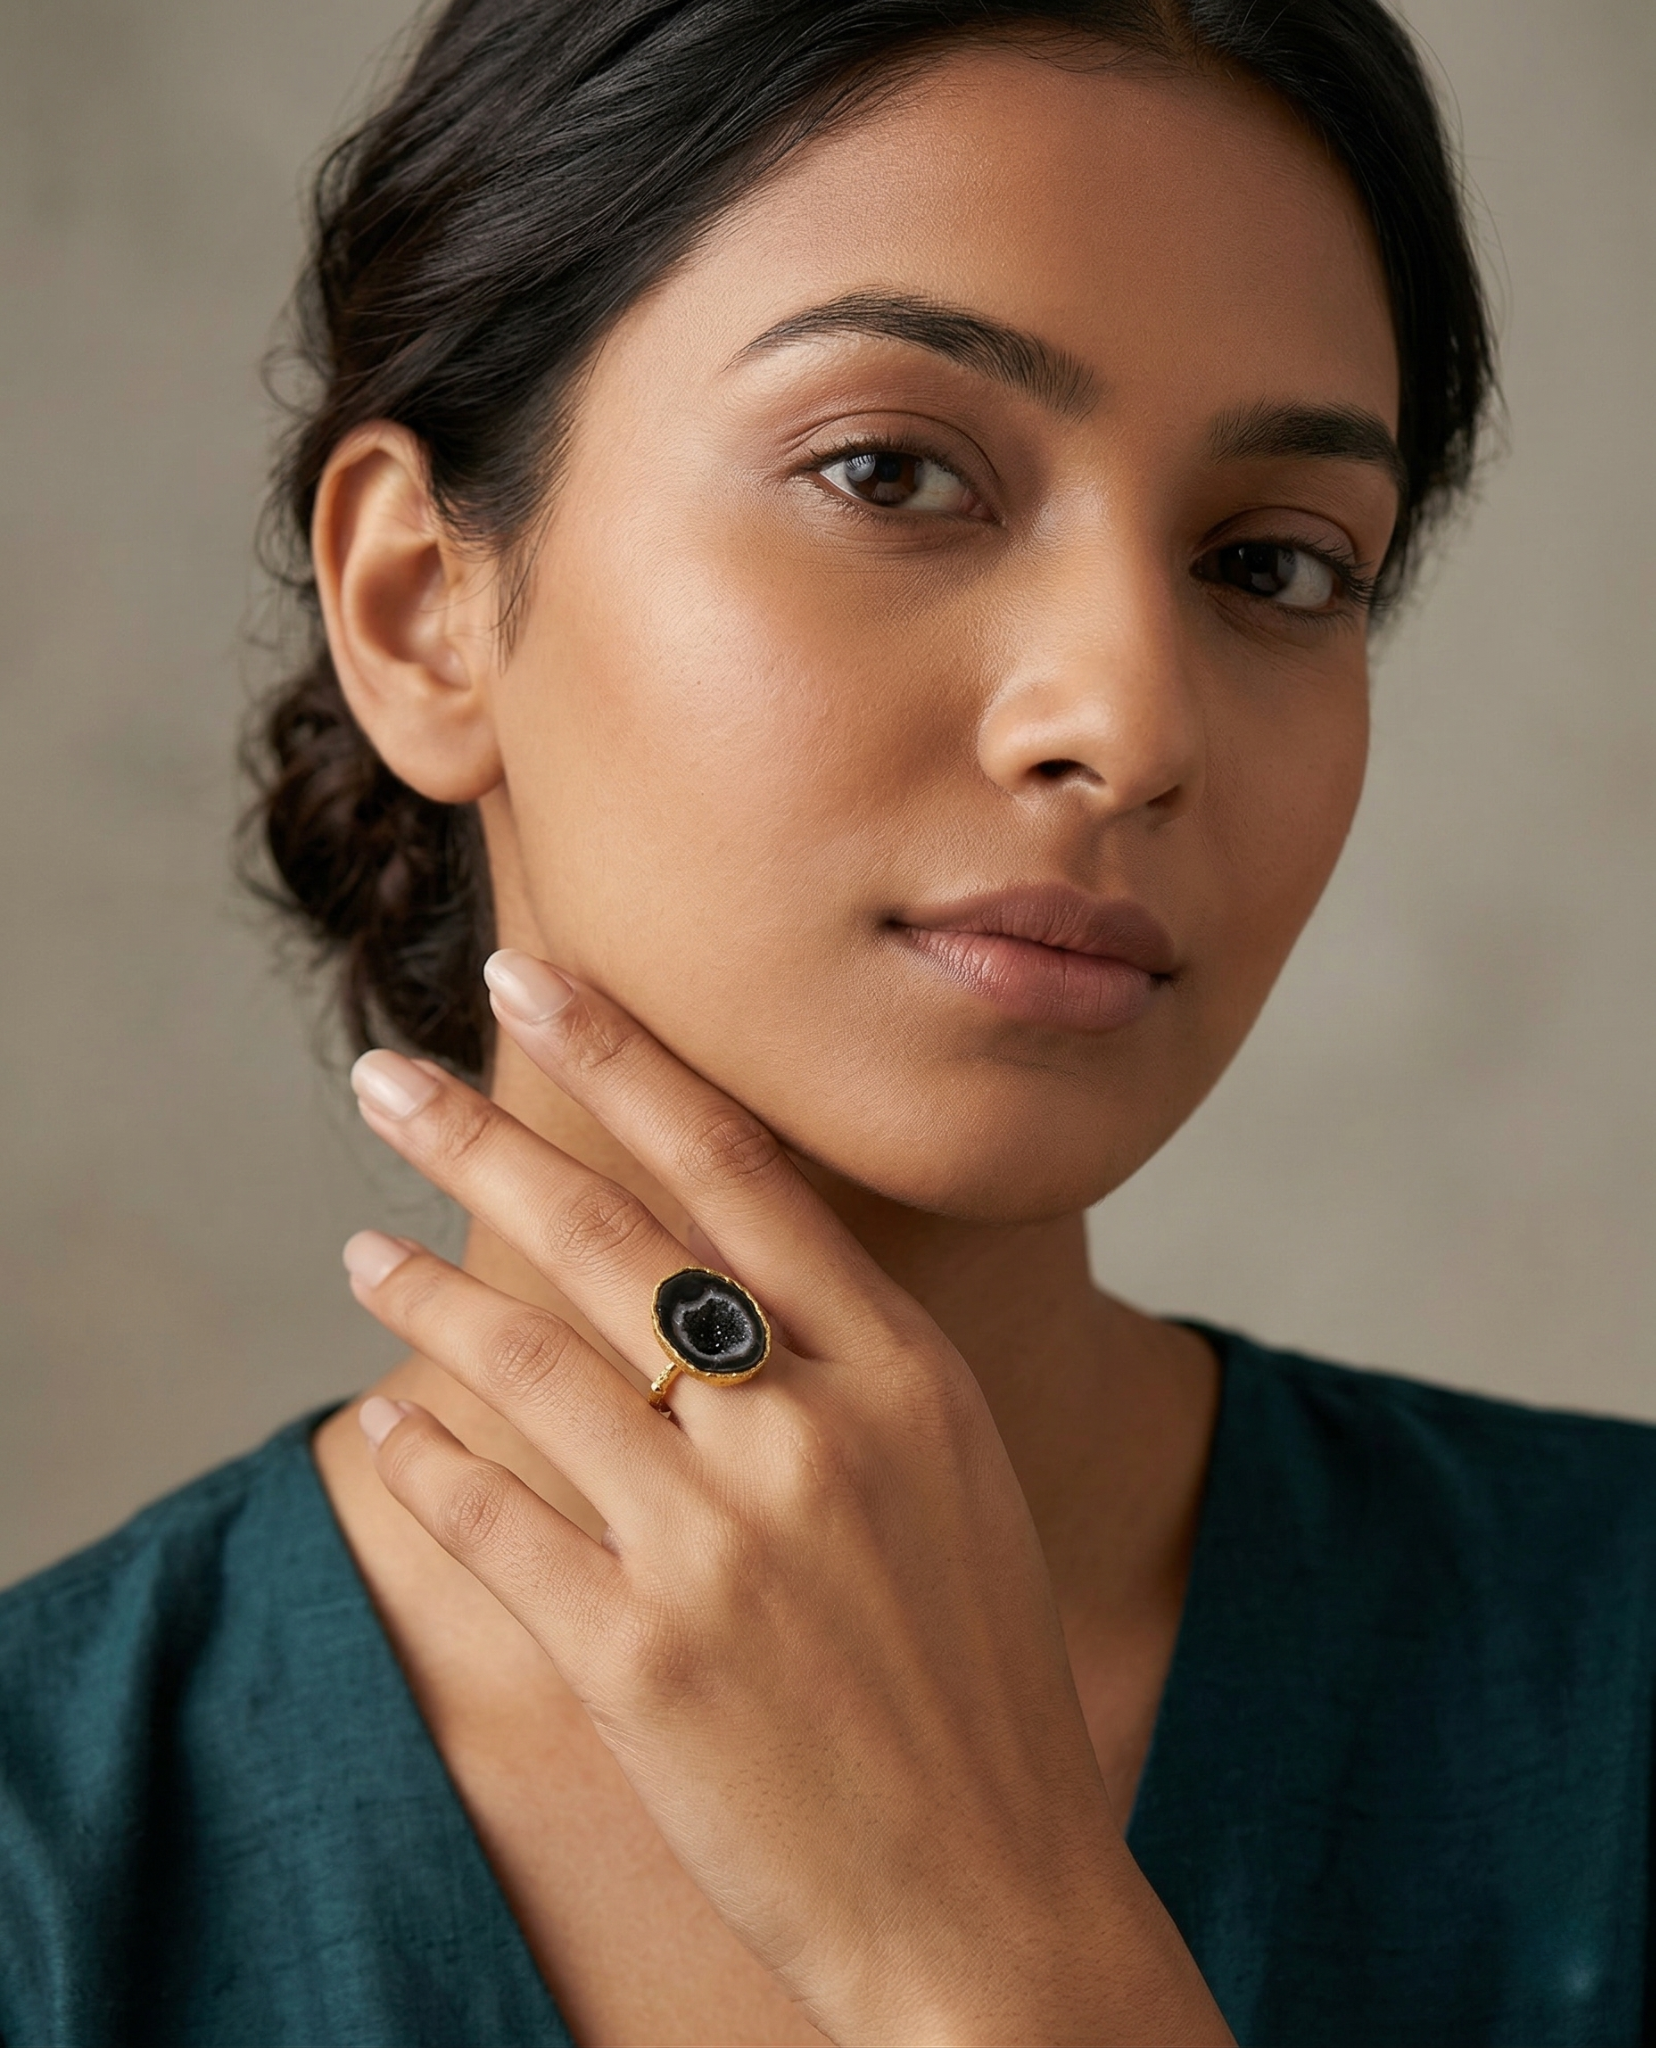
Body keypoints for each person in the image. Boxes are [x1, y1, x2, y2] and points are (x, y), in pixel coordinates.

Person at [3, 2, 1650, 2043]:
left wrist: (1003, 1946)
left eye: (1272, 564)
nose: (1126, 723)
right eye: (892, 470)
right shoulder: (51, 1872)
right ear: (424, 604)